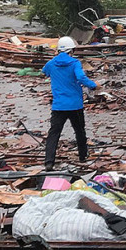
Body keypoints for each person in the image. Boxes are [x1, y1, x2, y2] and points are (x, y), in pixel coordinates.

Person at [42, 36, 98, 171]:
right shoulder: (75, 63)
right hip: (75, 105)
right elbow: (80, 77)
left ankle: (49, 162)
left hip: (59, 105)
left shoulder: (51, 63)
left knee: (54, 133)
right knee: (79, 131)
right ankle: (83, 156)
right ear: (71, 50)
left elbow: (45, 72)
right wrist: (92, 85)